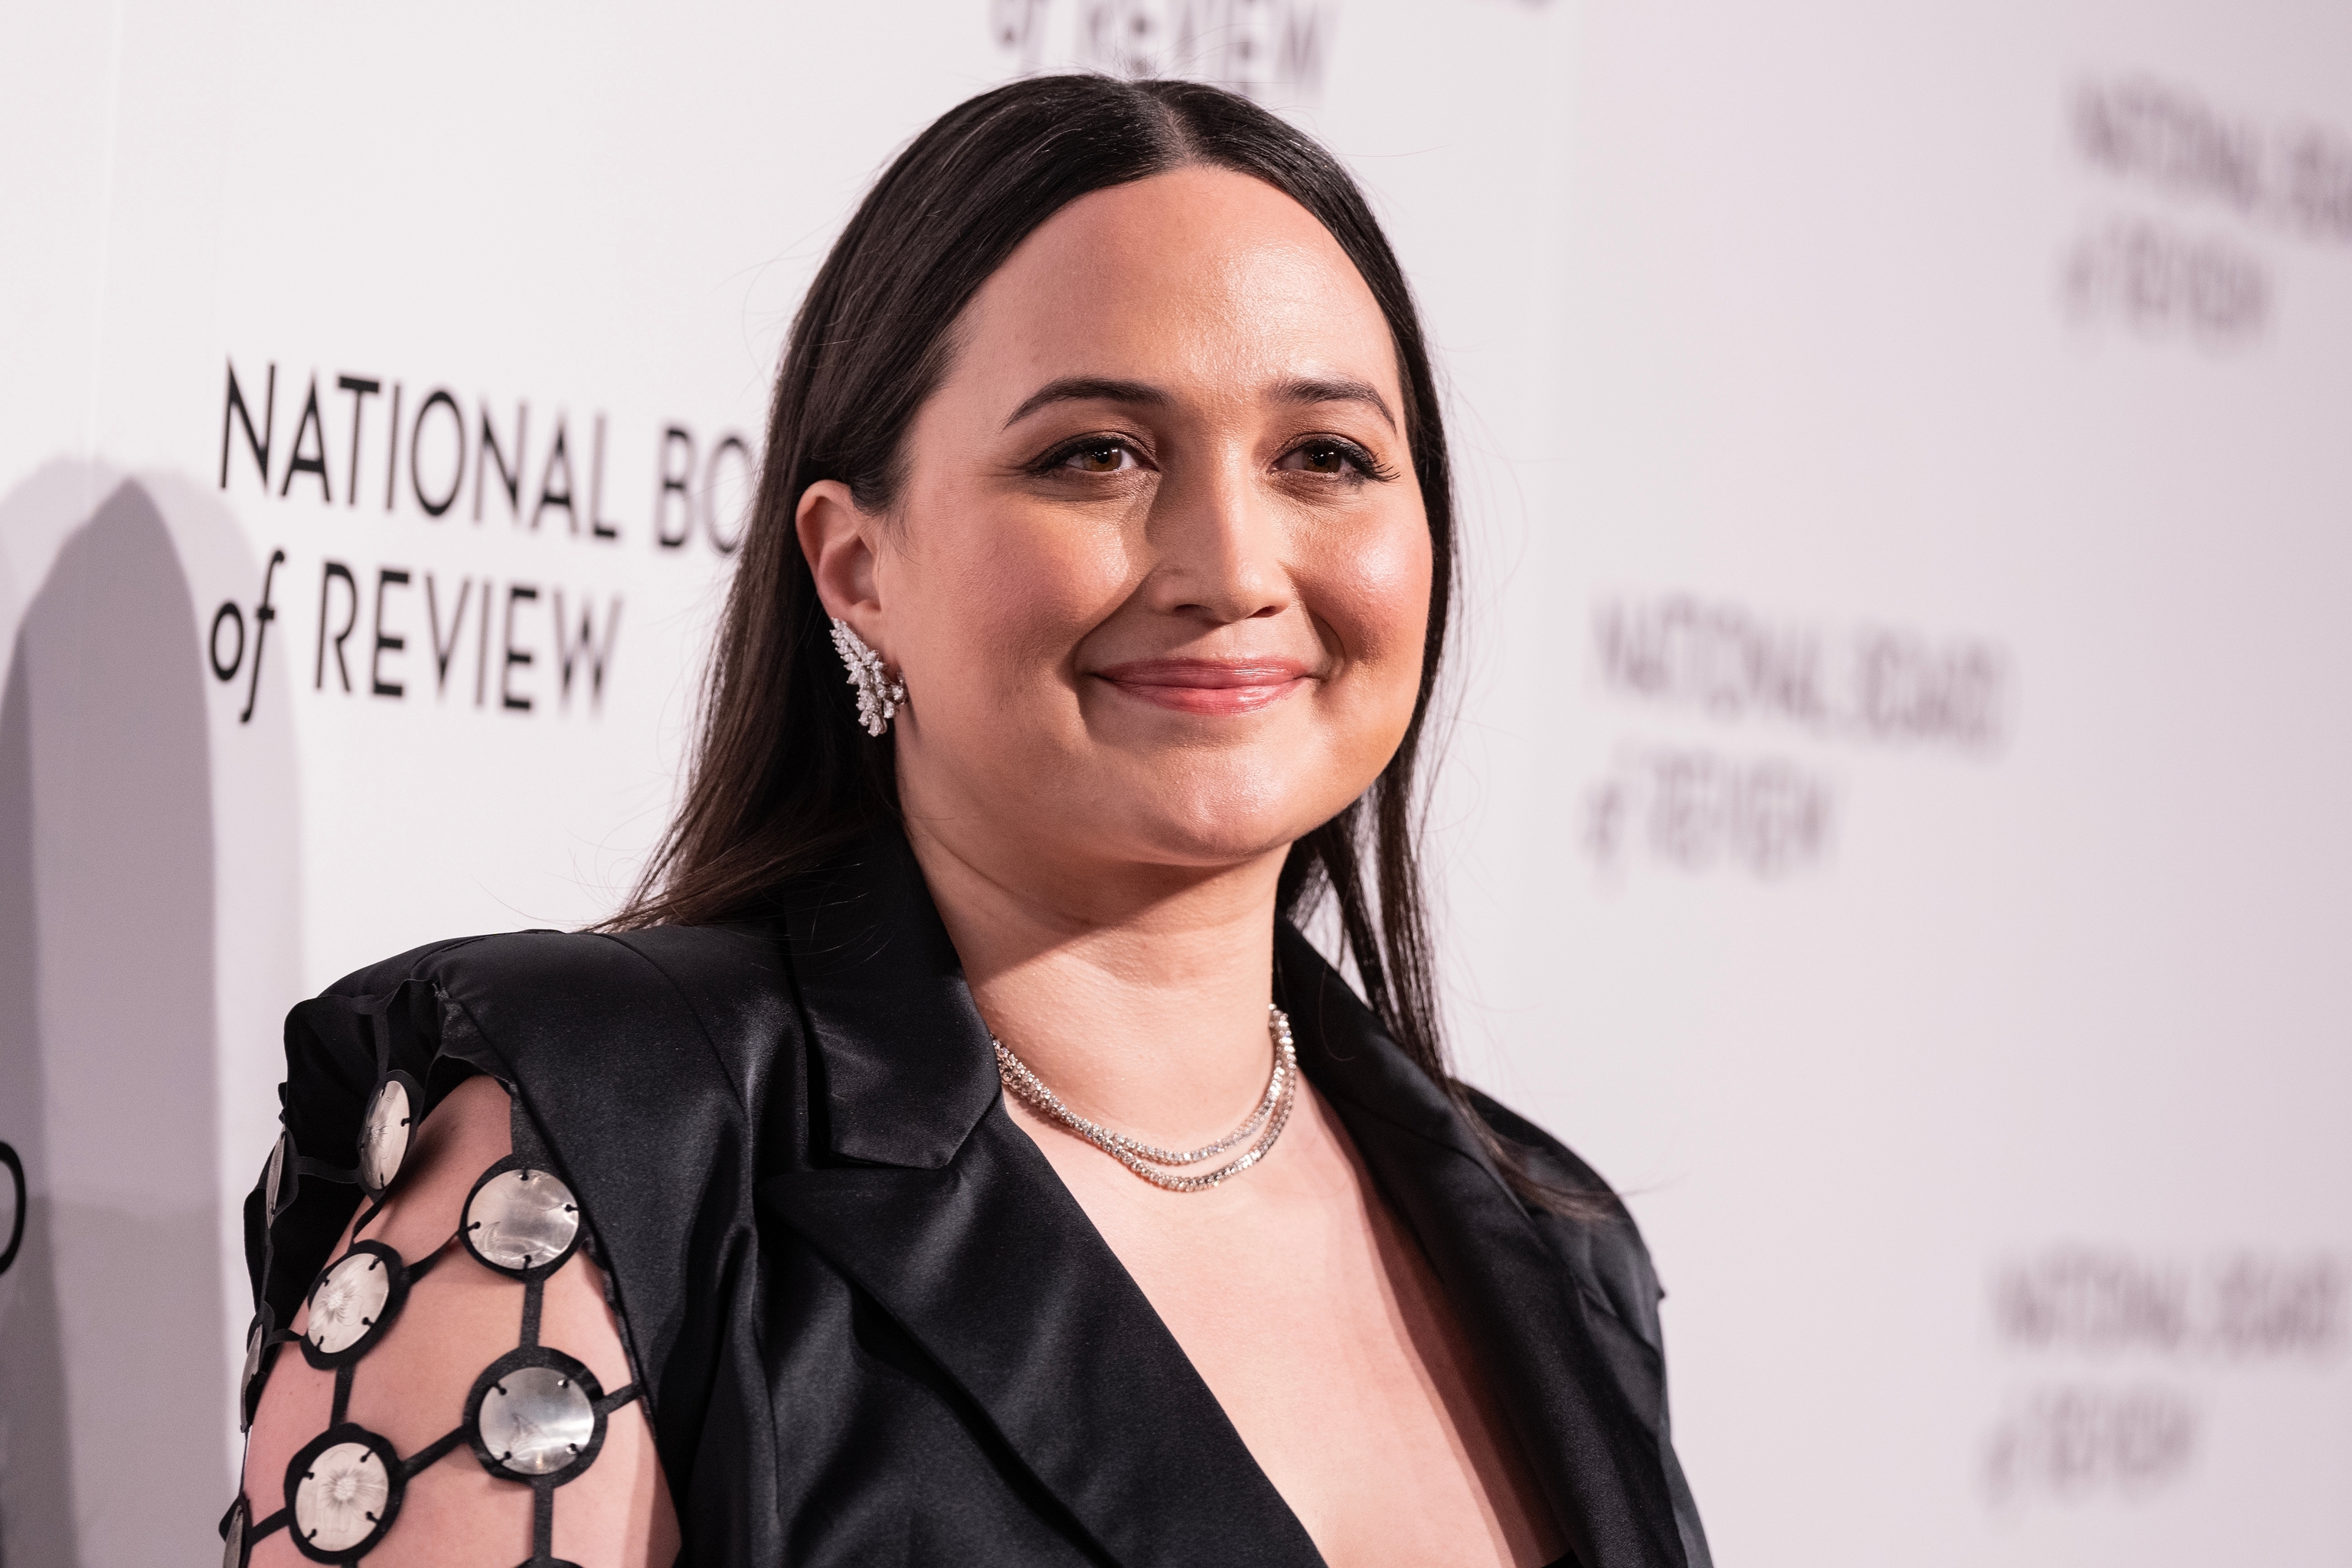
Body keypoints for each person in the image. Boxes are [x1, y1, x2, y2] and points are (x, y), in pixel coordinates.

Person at [231, 74, 1710, 1568]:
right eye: (1095, 455)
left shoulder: (1558, 1252)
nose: (1233, 562)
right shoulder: (603, 1155)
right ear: (857, 567)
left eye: (1323, 456)